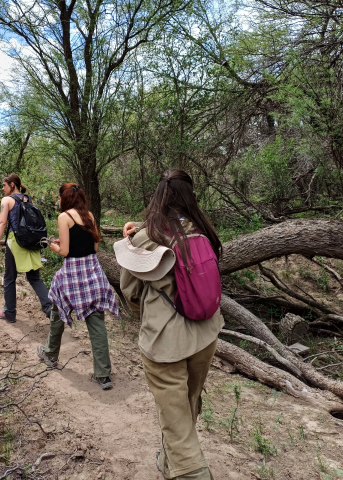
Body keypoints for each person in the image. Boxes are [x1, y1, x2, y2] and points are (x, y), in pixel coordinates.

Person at [120, 169, 224, 480]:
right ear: (189, 197)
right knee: (188, 403)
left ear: (158, 196)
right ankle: (168, 461)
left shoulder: (144, 238)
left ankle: (189, 470)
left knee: (175, 416)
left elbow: (131, 292)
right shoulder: (203, 230)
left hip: (165, 342)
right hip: (206, 334)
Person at [36, 183, 120, 390]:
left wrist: (53, 245)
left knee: (58, 310)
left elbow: (65, 251)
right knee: (96, 322)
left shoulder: (64, 217)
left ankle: (50, 354)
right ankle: (103, 375)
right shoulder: (89, 216)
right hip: (92, 272)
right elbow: (95, 245)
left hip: (73, 273)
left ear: (64, 199)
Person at [0, 173, 52, 322]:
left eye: (4, 185)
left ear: (12, 184)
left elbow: (2, 223)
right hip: (31, 241)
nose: (2, 188)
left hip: (16, 242)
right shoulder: (28, 199)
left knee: (9, 278)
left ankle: (10, 312)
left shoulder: (6, 200)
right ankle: (50, 309)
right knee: (34, 278)